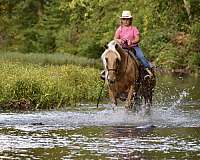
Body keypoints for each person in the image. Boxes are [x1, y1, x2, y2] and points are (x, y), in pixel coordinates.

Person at [114, 10, 153, 77]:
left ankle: (147, 70)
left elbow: (138, 38)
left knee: (141, 57)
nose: (125, 21)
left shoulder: (134, 29)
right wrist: (119, 40)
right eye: (124, 19)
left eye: (127, 19)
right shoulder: (119, 29)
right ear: (122, 20)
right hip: (122, 48)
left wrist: (131, 41)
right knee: (112, 57)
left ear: (130, 20)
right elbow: (115, 38)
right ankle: (108, 72)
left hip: (133, 47)